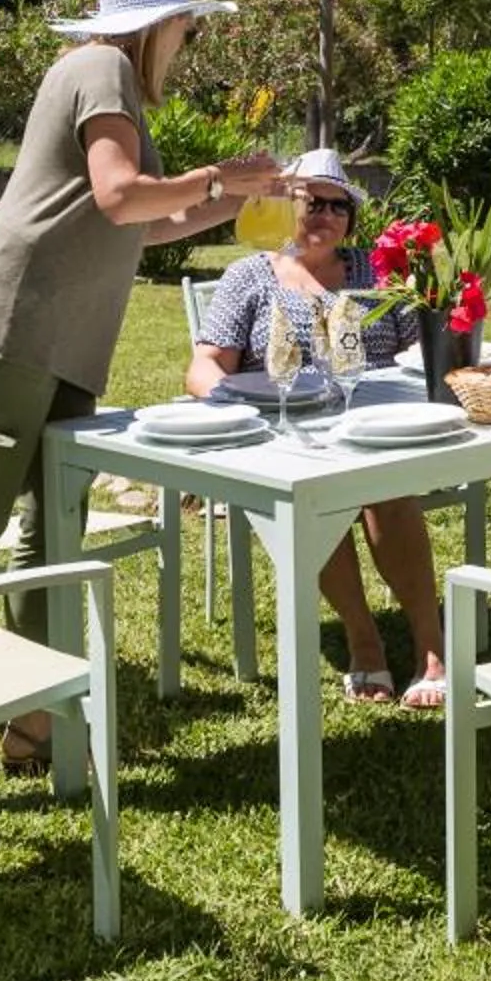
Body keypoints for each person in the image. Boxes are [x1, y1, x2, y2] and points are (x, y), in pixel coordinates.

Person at [0, 0, 284, 816]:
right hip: (16, 322)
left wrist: (233, 203)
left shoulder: (108, 78)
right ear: (157, 23)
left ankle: (34, 723)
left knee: (55, 526)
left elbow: (128, 228)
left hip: (66, 339)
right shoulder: (98, 65)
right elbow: (121, 196)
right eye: (188, 27)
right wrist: (218, 177)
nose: (190, 42)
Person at [185, 148, 450, 709]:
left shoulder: (378, 273)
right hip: (292, 435)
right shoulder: (251, 277)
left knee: (387, 484)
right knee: (319, 495)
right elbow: (204, 366)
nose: (326, 214)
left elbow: (419, 352)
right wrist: (236, 403)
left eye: (338, 205)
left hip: (378, 427)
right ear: (286, 207)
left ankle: (431, 647)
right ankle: (364, 639)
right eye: (312, 201)